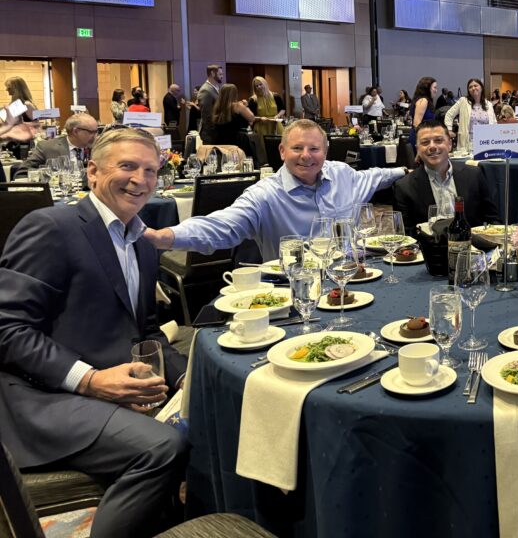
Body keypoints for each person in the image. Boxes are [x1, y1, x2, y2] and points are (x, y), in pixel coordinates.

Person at [0, 127, 188, 538]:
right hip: (42, 397)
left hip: (116, 388)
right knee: (163, 447)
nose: (140, 180)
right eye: (127, 166)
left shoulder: (140, 241)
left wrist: (189, 375)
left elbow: (147, 332)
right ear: (92, 172)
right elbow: (7, 329)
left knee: (211, 413)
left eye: (151, 170)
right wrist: (89, 380)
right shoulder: (52, 226)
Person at [146, 119, 407, 261]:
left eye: (314, 149)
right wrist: (166, 236)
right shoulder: (265, 195)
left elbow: (375, 177)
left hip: (350, 280)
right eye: (297, 148)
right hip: (294, 289)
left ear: (325, 152)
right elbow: (221, 226)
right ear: (282, 151)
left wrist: (405, 171)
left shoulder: (342, 175)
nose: (306, 156)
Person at [393, 120, 499, 229]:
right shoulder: (404, 187)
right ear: (418, 149)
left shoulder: (474, 175)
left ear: (449, 145)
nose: (432, 146)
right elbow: (405, 235)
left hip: (473, 244)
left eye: (438, 140)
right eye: (425, 142)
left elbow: (493, 220)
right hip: (427, 245)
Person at [25, 112, 99, 170]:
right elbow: (23, 171)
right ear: (75, 132)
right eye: (91, 132)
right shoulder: (47, 148)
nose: (95, 136)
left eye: (96, 132)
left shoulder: (99, 147)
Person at [444, 77, 496, 152]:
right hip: (468, 143)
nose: (473, 88)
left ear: (481, 87)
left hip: (486, 143)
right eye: (470, 87)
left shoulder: (489, 104)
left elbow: (494, 123)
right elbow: (449, 115)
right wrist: (449, 130)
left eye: (475, 85)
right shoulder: (463, 101)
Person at [247, 76, 285, 167]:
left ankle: (280, 165)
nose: (259, 87)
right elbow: (250, 117)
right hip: (261, 127)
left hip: (276, 125)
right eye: (257, 86)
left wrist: (277, 116)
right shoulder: (253, 100)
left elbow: (283, 109)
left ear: (265, 84)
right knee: (263, 150)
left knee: (280, 146)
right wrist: (260, 118)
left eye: (260, 84)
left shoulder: (275, 96)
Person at [210, 83, 255, 151]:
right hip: (235, 142)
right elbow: (252, 117)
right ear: (234, 94)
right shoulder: (237, 106)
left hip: (219, 141)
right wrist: (246, 106)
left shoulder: (217, 107)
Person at [196, 64, 224, 138]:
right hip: (210, 133)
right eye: (220, 74)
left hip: (216, 131)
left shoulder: (215, 87)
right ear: (212, 73)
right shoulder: (205, 90)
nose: (222, 76)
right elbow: (207, 115)